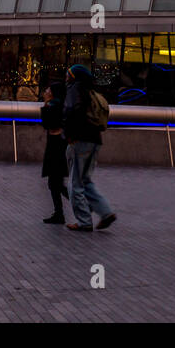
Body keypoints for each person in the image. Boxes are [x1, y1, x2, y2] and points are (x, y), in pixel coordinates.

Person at [62, 64, 115, 232]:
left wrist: (69, 135)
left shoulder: (74, 90)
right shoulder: (91, 92)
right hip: (95, 140)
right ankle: (106, 212)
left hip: (80, 140)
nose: (66, 77)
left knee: (74, 184)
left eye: (68, 74)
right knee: (86, 180)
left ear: (73, 76)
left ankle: (84, 221)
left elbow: (71, 111)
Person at [39, 79, 68, 225]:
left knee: (55, 183)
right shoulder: (61, 105)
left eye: (48, 90)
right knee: (57, 183)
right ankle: (60, 213)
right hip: (59, 146)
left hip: (55, 148)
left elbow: (47, 124)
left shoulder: (54, 105)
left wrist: (45, 106)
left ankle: (61, 213)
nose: (45, 92)